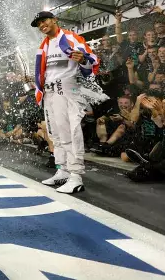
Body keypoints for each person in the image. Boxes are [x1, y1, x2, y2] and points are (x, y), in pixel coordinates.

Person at [32, 11, 99, 194]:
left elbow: (92, 60)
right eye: (38, 24)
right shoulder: (44, 45)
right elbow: (44, 70)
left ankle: (76, 176)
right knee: (55, 134)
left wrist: (83, 59)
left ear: (54, 20)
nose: (41, 25)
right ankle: (62, 170)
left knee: (70, 131)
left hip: (67, 89)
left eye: (44, 20)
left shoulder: (71, 38)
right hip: (50, 92)